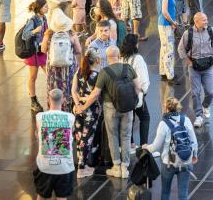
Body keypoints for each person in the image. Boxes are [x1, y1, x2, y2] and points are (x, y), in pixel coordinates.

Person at [75, 45, 142, 179]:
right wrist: (131, 100)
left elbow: (95, 94)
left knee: (113, 136)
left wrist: (82, 107)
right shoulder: (128, 68)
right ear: (119, 56)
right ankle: (125, 168)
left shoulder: (104, 72)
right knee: (126, 136)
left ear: (107, 57)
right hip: (128, 107)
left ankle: (116, 167)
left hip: (110, 107)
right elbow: (138, 86)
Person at [144, 97, 198, 200]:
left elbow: (156, 146)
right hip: (185, 161)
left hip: (169, 163)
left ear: (166, 108)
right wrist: (194, 156)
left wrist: (147, 147)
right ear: (178, 107)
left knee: (165, 191)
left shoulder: (163, 124)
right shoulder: (186, 120)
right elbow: (194, 141)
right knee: (183, 193)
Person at [177, 12, 213, 128]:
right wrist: (188, 62)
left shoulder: (211, 30)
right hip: (194, 68)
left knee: (210, 91)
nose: (206, 21)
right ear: (196, 22)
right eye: (204, 20)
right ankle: (198, 116)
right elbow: (181, 49)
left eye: (206, 19)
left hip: (208, 67)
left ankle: (205, 105)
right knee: (195, 93)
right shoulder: (188, 34)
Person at [33, 89, 75, 200]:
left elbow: (38, 136)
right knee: (62, 198)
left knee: (41, 196)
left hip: (45, 167)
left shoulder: (39, 117)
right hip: (64, 167)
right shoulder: (71, 117)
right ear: (63, 100)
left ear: (48, 100)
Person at [41, 8, 82, 112]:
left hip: (53, 68)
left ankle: (54, 108)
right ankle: (69, 109)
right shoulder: (72, 34)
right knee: (70, 87)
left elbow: (43, 49)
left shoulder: (48, 34)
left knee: (53, 87)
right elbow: (78, 50)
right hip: (68, 68)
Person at [71, 48, 102, 178]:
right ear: (97, 60)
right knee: (86, 138)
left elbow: (73, 90)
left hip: (78, 108)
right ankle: (81, 168)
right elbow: (95, 96)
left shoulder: (79, 72)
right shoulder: (98, 76)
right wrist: (84, 106)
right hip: (90, 110)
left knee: (79, 137)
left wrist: (78, 104)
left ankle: (80, 163)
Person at [121, 34, 151, 148]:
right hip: (136, 93)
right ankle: (144, 144)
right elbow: (143, 80)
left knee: (130, 118)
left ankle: (131, 144)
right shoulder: (137, 59)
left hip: (124, 93)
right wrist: (143, 92)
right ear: (135, 45)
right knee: (145, 117)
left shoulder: (121, 57)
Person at [22, 0, 49, 113]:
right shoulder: (32, 20)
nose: (48, 8)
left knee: (50, 73)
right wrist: (34, 31)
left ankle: (55, 98)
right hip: (34, 52)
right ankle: (33, 100)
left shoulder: (44, 18)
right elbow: (24, 35)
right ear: (40, 8)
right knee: (33, 77)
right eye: (46, 7)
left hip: (42, 51)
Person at [157, 0, 180, 85]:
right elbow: (165, 11)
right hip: (166, 25)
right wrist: (173, 22)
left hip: (162, 24)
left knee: (164, 48)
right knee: (169, 50)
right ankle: (170, 75)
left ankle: (163, 71)